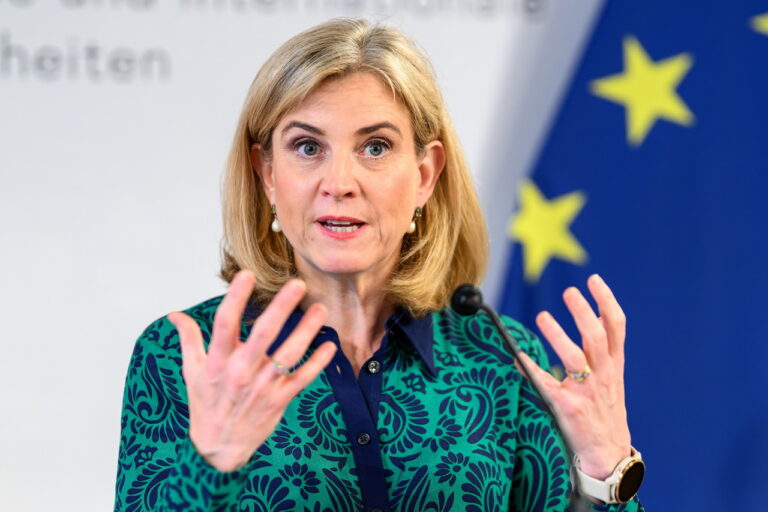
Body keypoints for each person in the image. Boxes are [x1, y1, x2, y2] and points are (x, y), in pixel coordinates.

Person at [115, 18, 644, 512]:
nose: (339, 182)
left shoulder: (503, 357)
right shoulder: (180, 356)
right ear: (267, 174)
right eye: (307, 147)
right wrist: (211, 467)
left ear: (425, 175)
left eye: (374, 147)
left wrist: (606, 469)